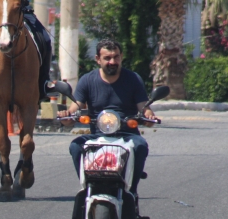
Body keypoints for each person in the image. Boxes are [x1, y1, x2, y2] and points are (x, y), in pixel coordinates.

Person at [57, 39, 158, 198]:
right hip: (98, 135)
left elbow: (143, 107)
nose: (112, 62)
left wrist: (148, 115)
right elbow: (75, 108)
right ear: (98, 59)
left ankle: (132, 191)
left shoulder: (133, 79)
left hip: (127, 134)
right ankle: (86, 187)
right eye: (107, 58)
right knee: (75, 146)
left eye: (116, 57)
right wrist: (66, 116)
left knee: (141, 146)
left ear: (121, 57)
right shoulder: (87, 80)